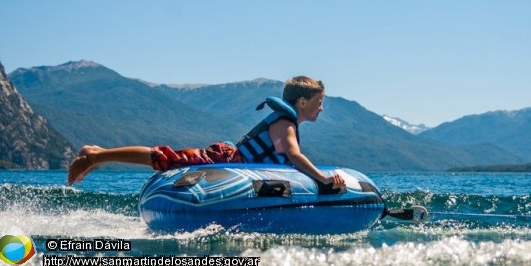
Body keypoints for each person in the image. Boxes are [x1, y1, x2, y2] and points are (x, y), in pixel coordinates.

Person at [67, 76, 345, 189]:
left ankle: (97, 155)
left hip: (231, 161)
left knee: (167, 157)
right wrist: (322, 179)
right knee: (165, 158)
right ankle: (96, 155)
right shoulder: (286, 125)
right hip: (227, 159)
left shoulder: (287, 122)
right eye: (319, 103)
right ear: (303, 103)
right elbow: (293, 156)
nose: (321, 109)